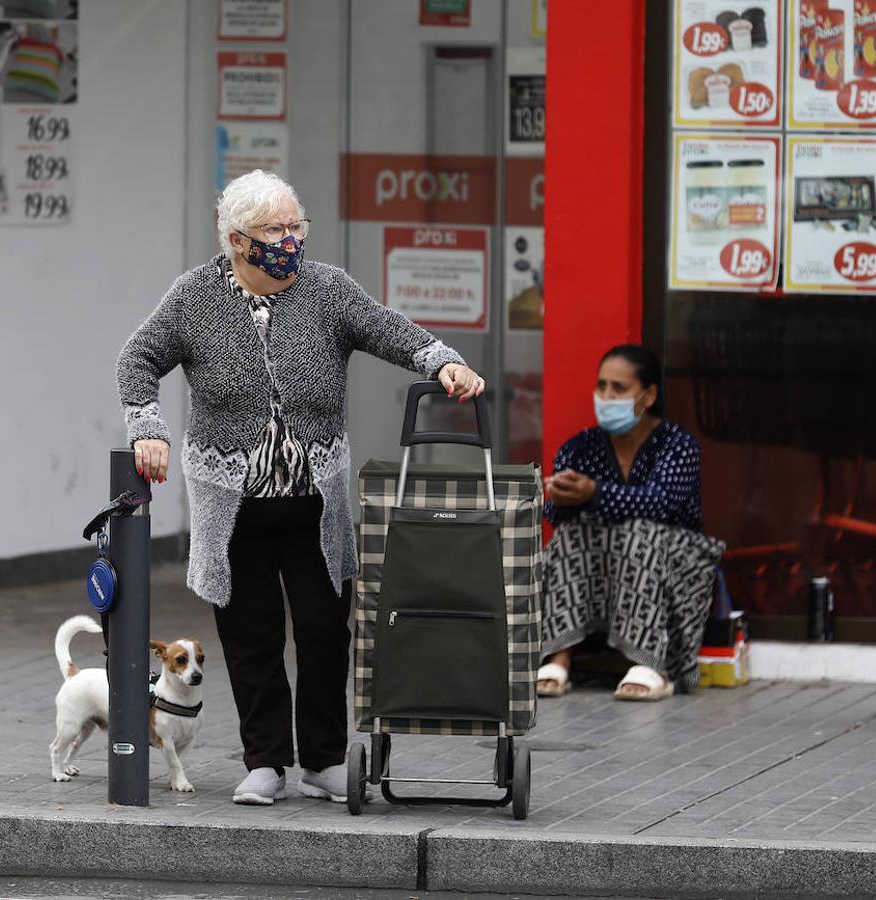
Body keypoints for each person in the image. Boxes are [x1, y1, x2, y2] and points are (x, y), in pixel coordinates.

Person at [116, 169, 485, 805]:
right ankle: (264, 762)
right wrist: (148, 428)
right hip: (233, 505)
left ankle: (322, 758)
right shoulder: (194, 297)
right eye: (276, 230)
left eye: (296, 226)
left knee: (323, 630)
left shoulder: (327, 290)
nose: (290, 239)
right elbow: (138, 358)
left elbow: (388, 328)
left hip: (315, 501)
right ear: (236, 239)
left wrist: (441, 360)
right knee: (250, 635)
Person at [537, 345, 723, 702]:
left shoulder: (677, 445)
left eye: (619, 388)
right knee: (569, 535)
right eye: (602, 386)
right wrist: (561, 500)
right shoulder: (581, 448)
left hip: (674, 554)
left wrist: (593, 492)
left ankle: (649, 662)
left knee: (641, 532)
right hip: (602, 557)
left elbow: (661, 504)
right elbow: (556, 518)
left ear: (649, 394)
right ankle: (558, 656)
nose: (607, 396)